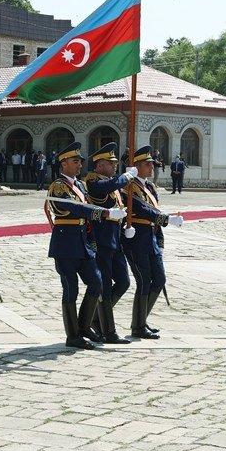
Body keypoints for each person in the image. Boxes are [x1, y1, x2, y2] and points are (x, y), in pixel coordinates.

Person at [45, 142, 124, 349]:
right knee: (70, 290)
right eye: (75, 161)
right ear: (63, 164)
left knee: (96, 283)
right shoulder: (58, 186)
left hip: (83, 243)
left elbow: (88, 205)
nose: (80, 164)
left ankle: (84, 326)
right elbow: (75, 208)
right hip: (65, 244)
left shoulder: (79, 185)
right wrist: (104, 213)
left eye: (80, 161)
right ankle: (73, 336)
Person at [121, 146, 183, 339]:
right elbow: (143, 210)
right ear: (137, 166)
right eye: (148, 164)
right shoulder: (128, 187)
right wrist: (167, 219)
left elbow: (153, 215)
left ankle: (141, 320)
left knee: (159, 279)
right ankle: (138, 326)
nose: (152, 167)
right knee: (144, 281)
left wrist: (160, 243)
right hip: (136, 240)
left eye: (152, 164)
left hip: (151, 239)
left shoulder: (149, 187)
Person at [82, 143, 136, 345]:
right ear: (99, 166)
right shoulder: (94, 181)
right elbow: (108, 187)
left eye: (114, 163)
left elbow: (121, 202)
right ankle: (109, 331)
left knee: (123, 282)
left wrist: (127, 227)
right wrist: (126, 177)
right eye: (110, 164)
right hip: (101, 242)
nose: (114, 167)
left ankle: (97, 318)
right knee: (104, 287)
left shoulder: (112, 183)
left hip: (115, 241)